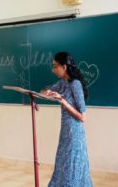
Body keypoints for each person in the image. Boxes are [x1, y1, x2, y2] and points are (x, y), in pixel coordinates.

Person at [42, 52, 92, 187]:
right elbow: (45, 92)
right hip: (65, 132)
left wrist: (62, 100)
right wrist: (44, 93)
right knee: (62, 165)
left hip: (75, 134)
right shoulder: (62, 83)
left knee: (71, 166)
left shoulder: (75, 84)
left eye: (55, 66)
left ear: (64, 67)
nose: (53, 70)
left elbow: (82, 117)